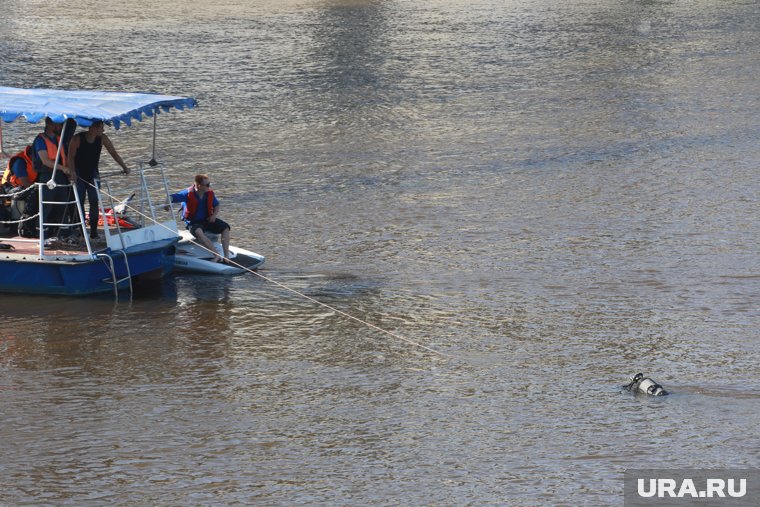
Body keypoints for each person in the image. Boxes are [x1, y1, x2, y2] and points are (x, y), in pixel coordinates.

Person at [169, 174, 231, 262]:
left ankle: (226, 255)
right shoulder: (187, 193)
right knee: (198, 232)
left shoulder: (209, 194)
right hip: (194, 222)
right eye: (207, 185)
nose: (209, 186)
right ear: (199, 185)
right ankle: (216, 255)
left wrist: (213, 216)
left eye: (209, 184)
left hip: (207, 219)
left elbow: (216, 205)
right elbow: (172, 197)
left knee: (225, 228)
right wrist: (166, 203)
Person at [32, 117, 74, 236]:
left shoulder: (59, 139)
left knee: (63, 206)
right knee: (47, 206)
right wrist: (63, 168)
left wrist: (69, 172)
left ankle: (64, 234)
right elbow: (45, 160)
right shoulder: (40, 140)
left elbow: (65, 158)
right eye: (58, 125)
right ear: (50, 124)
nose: (60, 127)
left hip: (61, 176)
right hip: (47, 176)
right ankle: (42, 236)